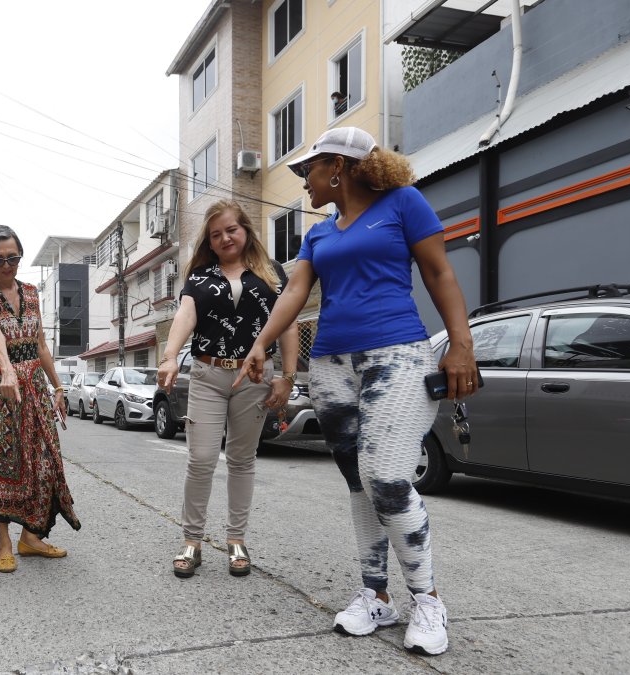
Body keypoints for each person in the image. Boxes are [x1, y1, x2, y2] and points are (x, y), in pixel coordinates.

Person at [235, 127, 479, 655]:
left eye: (309, 170)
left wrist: (460, 344)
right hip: (331, 363)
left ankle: (428, 599)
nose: (304, 181)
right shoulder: (320, 234)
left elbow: (440, 274)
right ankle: (376, 595)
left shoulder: (403, 204)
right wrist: (262, 343)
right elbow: (295, 291)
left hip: (397, 354)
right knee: (356, 481)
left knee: (387, 477)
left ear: (338, 167)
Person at [156, 200, 300, 580]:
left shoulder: (272, 273)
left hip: (255, 377)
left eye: (231, 230)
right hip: (208, 373)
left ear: (246, 230)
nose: (224, 238)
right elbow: (186, 314)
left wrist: (287, 376)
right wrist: (170, 356)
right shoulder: (201, 276)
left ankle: (236, 540)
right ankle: (192, 541)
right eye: (216, 234)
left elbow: (287, 323)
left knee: (242, 459)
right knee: (201, 459)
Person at [0, 225, 81, 573]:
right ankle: (4, 542)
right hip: (0, 388)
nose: (7, 265)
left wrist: (59, 387)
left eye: (13, 258)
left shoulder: (32, 293)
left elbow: (41, 347)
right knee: (4, 463)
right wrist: (6, 370)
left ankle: (30, 536)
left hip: (34, 384)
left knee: (44, 460)